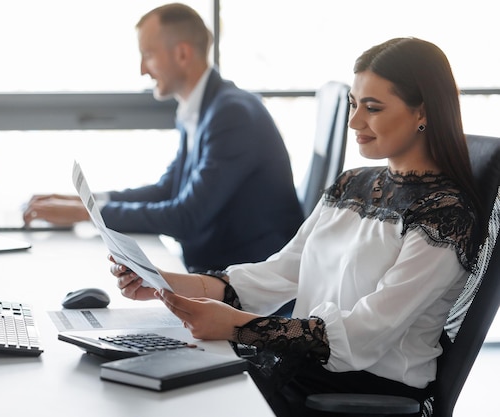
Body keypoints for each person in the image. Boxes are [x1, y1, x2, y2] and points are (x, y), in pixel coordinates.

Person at [109, 37, 483, 416]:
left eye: (373, 108)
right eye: (354, 104)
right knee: (137, 382)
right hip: (301, 367)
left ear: (423, 112)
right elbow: (280, 273)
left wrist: (239, 327)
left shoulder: (445, 215)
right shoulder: (350, 184)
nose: (354, 121)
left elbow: (365, 333)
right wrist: (161, 282)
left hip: (358, 391)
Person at [23, 3, 304, 272]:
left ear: (182, 54)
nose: (142, 69)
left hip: (249, 280)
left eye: (148, 54)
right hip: (218, 267)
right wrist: (85, 202)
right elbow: (167, 189)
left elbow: (187, 217)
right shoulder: (203, 108)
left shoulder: (232, 115)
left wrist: (87, 215)